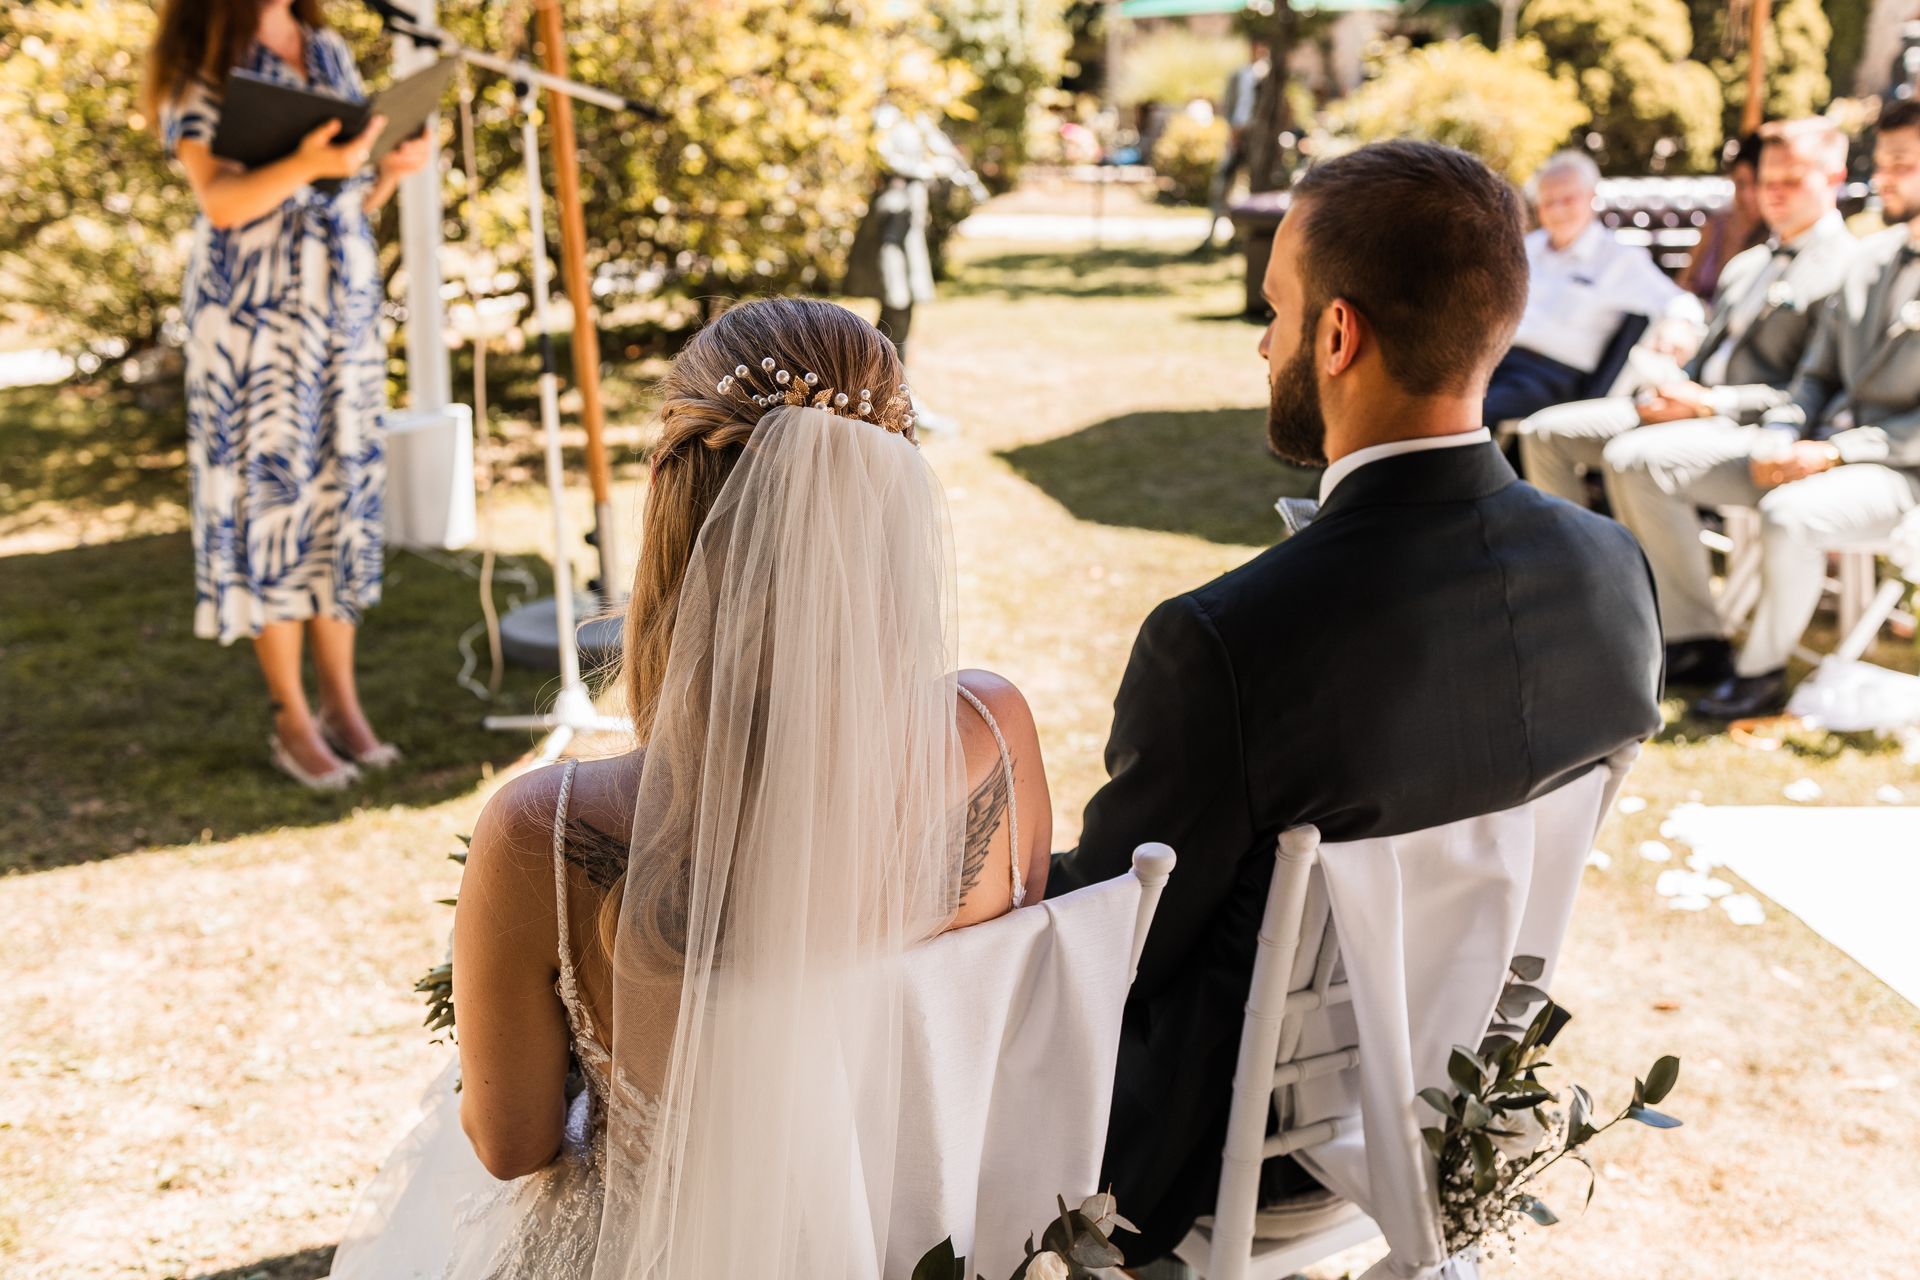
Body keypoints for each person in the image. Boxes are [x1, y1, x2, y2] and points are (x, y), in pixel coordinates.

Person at [327, 299, 1051, 1278]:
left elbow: (510, 1141)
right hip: (920, 1239)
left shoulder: (546, 828)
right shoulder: (996, 732)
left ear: (670, 509)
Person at [1046, 140, 1664, 1264]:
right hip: (1440, 1102)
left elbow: (1105, 937)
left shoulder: (1226, 642)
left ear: (1339, 334)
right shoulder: (1615, 570)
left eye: (1275, 308)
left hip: (1218, 1148)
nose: (1265, 339)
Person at [144, 0, 432, 790]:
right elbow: (223, 202)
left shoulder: (328, 47)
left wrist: (386, 177)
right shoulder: (199, 64)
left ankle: (342, 703)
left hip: (342, 317)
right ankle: (292, 718)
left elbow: (338, 203)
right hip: (252, 325)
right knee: (273, 508)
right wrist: (314, 165)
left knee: (339, 504)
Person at [1606, 103, 1920, 720]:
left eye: (1903, 165)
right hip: (1816, 450)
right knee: (1641, 465)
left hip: (1899, 469)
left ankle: (1761, 672)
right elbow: (1816, 376)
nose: (1883, 179)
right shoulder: (1871, 261)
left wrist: (1836, 452)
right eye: (1880, 164)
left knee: (1788, 514)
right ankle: (1695, 642)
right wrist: (1781, 435)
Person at [1517, 119, 1859, 539]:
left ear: (1834, 179)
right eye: (1766, 180)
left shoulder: (1850, 268)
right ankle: (1573, 562)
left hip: (1752, 423)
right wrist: (1669, 385)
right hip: (1692, 403)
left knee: (1634, 459)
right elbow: (1704, 348)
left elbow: (1814, 387)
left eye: (1792, 179)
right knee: (1545, 433)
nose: (1773, 192)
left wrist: (1710, 403)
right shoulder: (1749, 264)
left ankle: (1669, 601)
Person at [1482, 150, 1706, 426]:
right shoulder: (1527, 247)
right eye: (1549, 201)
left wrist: (1679, 324)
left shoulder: (1617, 259)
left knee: (1467, 415)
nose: (1558, 209)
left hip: (1552, 378)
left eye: (1568, 199)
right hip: (1493, 361)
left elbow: (1677, 301)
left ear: (1590, 199)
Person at [1197, 38, 1270, 253]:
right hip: (1235, 137)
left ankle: (1241, 238)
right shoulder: (1239, 75)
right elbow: (1230, 106)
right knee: (1222, 186)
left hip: (1256, 139)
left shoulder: (1267, 76)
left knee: (1252, 190)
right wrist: (1233, 133)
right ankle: (1212, 236)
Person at [1678, 131, 1768, 300]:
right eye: (1741, 183)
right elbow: (1683, 284)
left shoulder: (1777, 236)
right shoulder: (1714, 226)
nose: (1747, 195)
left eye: (1756, 183)